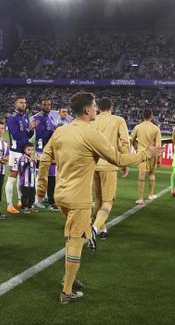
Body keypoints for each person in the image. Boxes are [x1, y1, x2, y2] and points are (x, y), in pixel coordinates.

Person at [37, 92, 161, 304]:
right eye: (94, 106)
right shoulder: (91, 133)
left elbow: (45, 158)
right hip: (78, 198)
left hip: (60, 195)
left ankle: (71, 277)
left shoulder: (60, 131)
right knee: (76, 241)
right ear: (87, 110)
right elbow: (119, 159)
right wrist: (146, 155)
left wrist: (41, 188)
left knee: (74, 237)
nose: (96, 109)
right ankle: (67, 292)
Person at [90, 97, 130, 245]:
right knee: (108, 200)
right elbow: (125, 142)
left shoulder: (92, 119)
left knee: (98, 198)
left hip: (93, 164)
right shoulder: (118, 120)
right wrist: (124, 161)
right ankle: (94, 228)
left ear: (98, 108)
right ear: (111, 107)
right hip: (109, 164)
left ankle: (102, 227)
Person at [5, 96, 39, 214]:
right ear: (15, 104)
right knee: (12, 177)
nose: (23, 104)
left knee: (22, 177)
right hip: (15, 152)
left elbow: (27, 136)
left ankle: (21, 201)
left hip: (24, 152)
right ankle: (9, 205)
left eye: (25, 102)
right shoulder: (12, 118)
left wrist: (31, 129)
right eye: (21, 102)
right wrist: (27, 129)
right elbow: (15, 134)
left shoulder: (25, 117)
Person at [131, 108, 162, 204]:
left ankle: (140, 198)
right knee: (152, 174)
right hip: (152, 154)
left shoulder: (138, 127)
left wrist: (136, 148)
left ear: (143, 116)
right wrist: (159, 158)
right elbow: (158, 145)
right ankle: (150, 195)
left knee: (141, 176)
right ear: (151, 116)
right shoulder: (156, 128)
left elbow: (132, 139)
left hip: (141, 154)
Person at [33, 98, 59, 210]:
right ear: (41, 105)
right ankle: (37, 199)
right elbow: (41, 135)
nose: (47, 106)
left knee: (52, 176)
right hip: (42, 151)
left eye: (49, 104)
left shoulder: (50, 117)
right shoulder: (38, 118)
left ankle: (49, 198)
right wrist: (55, 132)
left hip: (50, 151)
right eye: (45, 104)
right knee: (41, 176)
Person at [19, 143, 38, 213]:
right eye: (28, 150)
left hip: (32, 182)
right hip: (25, 182)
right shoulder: (23, 158)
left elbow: (36, 168)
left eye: (32, 150)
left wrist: (37, 161)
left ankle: (30, 206)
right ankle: (24, 207)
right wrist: (29, 162)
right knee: (25, 195)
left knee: (32, 195)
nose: (30, 151)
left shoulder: (33, 158)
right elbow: (22, 168)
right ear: (24, 150)